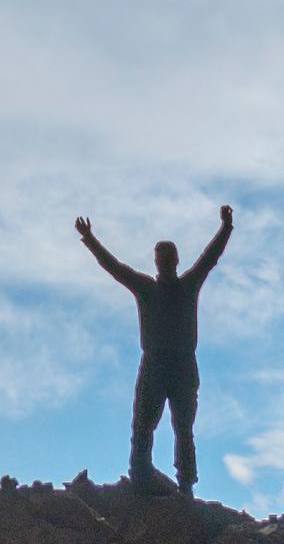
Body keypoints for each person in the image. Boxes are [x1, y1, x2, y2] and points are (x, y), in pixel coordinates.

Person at [76, 203, 233, 493]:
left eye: (167, 257)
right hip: (155, 364)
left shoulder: (188, 285)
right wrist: (90, 240)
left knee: (183, 430)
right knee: (142, 426)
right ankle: (140, 479)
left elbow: (210, 257)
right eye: (160, 258)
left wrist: (225, 227)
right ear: (157, 262)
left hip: (183, 365)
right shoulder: (146, 288)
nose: (163, 262)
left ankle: (185, 484)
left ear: (175, 260)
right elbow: (114, 267)